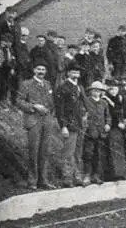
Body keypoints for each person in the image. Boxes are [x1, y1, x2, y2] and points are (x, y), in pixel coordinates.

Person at [16, 61, 57, 190]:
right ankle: (32, 181)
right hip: (33, 121)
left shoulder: (48, 84)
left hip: (47, 121)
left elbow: (52, 102)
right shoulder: (26, 84)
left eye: (43, 70)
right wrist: (34, 106)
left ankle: (43, 180)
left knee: (44, 151)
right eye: (38, 69)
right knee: (34, 151)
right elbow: (19, 101)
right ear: (34, 70)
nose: (41, 72)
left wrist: (51, 114)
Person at [54, 60, 88, 187]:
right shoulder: (63, 87)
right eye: (73, 71)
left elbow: (84, 104)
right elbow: (59, 109)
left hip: (80, 124)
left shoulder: (80, 87)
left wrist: (86, 115)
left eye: (77, 72)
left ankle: (77, 176)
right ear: (68, 73)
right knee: (68, 152)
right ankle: (67, 178)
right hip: (69, 125)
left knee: (78, 153)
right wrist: (63, 126)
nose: (76, 74)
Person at [82, 81, 111, 184]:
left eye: (99, 91)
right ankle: (87, 175)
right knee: (88, 153)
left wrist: (108, 124)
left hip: (101, 132)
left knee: (98, 155)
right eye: (94, 90)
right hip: (90, 132)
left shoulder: (104, 103)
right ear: (91, 91)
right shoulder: (86, 101)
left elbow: (107, 116)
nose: (96, 92)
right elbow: (84, 115)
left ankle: (96, 175)